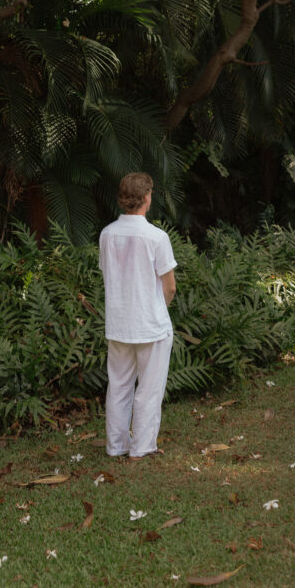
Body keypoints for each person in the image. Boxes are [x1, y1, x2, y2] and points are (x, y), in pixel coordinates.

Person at [99, 173, 177, 461]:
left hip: (119, 323)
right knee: (149, 389)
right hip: (151, 324)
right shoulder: (157, 237)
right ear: (146, 198)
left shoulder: (107, 234)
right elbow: (169, 286)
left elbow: (109, 275)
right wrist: (160, 306)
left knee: (118, 385)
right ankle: (142, 448)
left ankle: (116, 446)